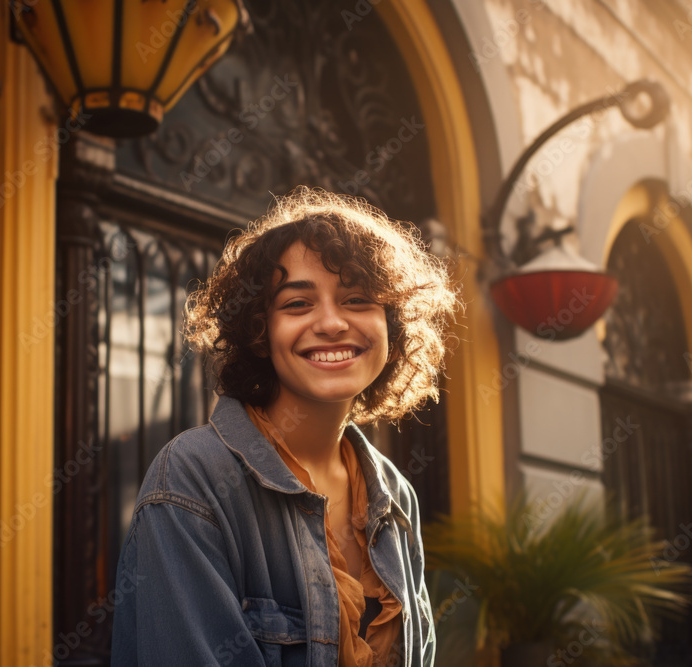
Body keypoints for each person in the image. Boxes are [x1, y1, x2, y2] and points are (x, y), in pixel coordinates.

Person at [111, 187, 458, 666]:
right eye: (297, 304)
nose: (332, 323)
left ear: (392, 328)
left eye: (357, 298)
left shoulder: (395, 493)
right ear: (259, 330)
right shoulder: (192, 478)